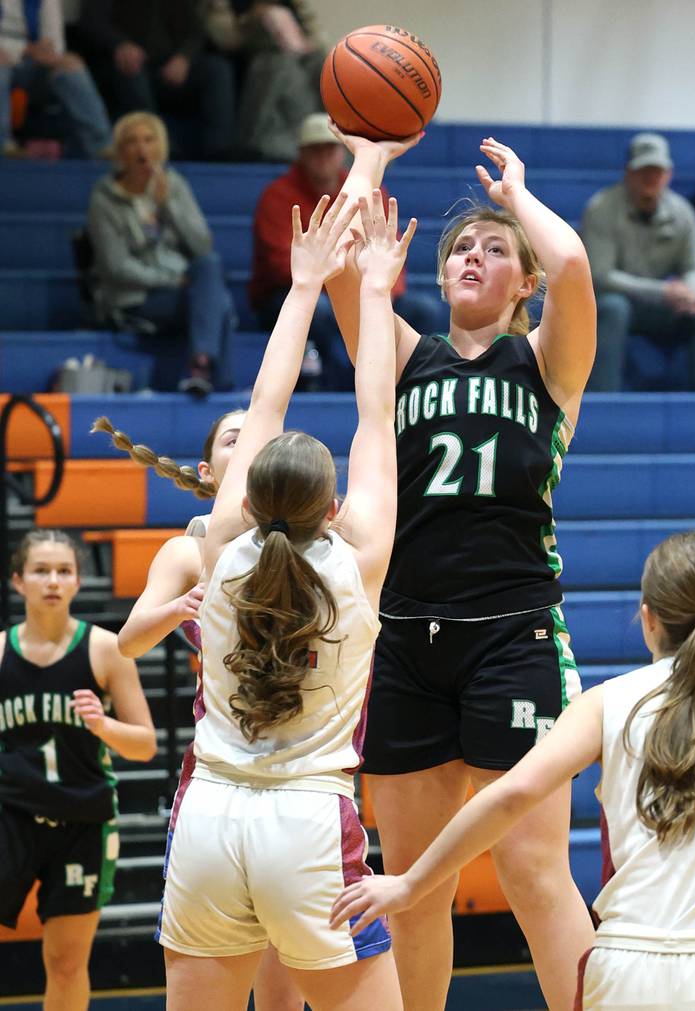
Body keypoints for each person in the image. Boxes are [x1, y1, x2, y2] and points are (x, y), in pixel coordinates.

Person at [323, 129, 597, 1011]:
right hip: (404, 637)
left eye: (494, 251)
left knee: (532, 871)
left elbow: (578, 267)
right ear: (438, 278)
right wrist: (369, 158)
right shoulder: (403, 357)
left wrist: (515, 196)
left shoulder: (547, 363)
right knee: (411, 882)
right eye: (460, 250)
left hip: (514, 634)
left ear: (525, 284)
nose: (473, 256)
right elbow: (338, 270)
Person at [332, 531, 695, 1010]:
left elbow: (511, 796)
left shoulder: (606, 703)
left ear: (648, 618)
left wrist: (411, 883)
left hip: (626, 970)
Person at [157, 188, 415, 1010]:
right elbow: (379, 410)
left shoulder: (219, 548)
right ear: (330, 508)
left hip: (206, 816)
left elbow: (263, 405)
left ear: (246, 491)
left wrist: (304, 286)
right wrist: (371, 288)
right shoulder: (359, 559)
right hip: (308, 821)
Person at [92, 408, 306, 1011]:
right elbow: (130, 640)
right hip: (224, 765)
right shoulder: (187, 549)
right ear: (211, 472)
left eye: (261, 438)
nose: (253, 443)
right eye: (237, 437)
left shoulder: (305, 541)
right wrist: (181, 606)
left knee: (285, 986)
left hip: (305, 763)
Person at [0, 529, 157, 1011]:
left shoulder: (106, 649)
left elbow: (145, 745)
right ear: (17, 581)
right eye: (40, 570)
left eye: (64, 571)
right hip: (10, 816)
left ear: (77, 581)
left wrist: (103, 724)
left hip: (82, 821)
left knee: (66, 963)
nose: (53, 580)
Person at [250, 112, 442, 391]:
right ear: (301, 155)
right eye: (315, 150)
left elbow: (391, 249)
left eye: (329, 149)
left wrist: (375, 292)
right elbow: (283, 265)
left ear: (342, 152)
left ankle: (412, 387)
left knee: (422, 308)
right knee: (322, 310)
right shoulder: (277, 195)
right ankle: (335, 380)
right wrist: (349, 289)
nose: (324, 157)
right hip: (293, 293)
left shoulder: (373, 188)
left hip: (359, 288)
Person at [87, 111, 236, 394]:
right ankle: (216, 380)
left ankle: (201, 367)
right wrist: (171, 279)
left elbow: (202, 244)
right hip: (135, 296)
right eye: (132, 142)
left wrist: (167, 203)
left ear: (161, 146)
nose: (142, 149)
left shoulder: (173, 185)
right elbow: (115, 266)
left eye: (149, 139)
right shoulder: (104, 198)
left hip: (181, 289)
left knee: (209, 264)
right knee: (222, 304)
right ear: (120, 151)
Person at [580, 132, 695, 392]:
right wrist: (663, 292)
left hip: (662, 305)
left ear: (669, 174)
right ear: (629, 172)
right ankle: (602, 401)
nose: (650, 178)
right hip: (613, 302)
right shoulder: (601, 209)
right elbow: (601, 275)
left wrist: (689, 293)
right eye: (643, 171)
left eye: (657, 171)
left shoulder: (683, 213)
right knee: (613, 309)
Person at [77, 0, 234, 161]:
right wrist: (119, 44)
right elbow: (91, 22)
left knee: (217, 69)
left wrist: (184, 57)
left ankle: (218, 150)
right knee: (132, 71)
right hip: (120, 66)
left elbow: (196, 31)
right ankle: (159, 148)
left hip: (167, 68)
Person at [198, 0, 324, 162]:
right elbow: (224, 38)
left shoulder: (291, 4)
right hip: (248, 59)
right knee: (278, 65)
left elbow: (316, 37)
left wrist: (301, 41)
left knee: (323, 63)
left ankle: (326, 140)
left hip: (292, 58)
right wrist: (252, 18)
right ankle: (252, 143)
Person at [0, 0, 111, 158]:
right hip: (7, 61)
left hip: (31, 64)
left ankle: (102, 146)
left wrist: (46, 51)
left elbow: (56, 44)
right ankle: (3, 145)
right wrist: (23, 49)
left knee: (70, 63)